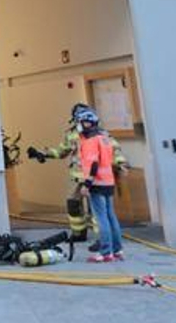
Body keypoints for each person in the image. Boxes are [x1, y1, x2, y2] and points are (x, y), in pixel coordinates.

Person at [27, 103, 126, 254]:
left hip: (94, 178)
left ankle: (102, 240)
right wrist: (43, 153)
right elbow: (62, 151)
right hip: (79, 177)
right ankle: (79, 233)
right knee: (74, 203)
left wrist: (121, 163)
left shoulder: (100, 134)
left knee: (97, 211)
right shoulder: (72, 134)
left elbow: (113, 149)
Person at [74, 106, 125, 263]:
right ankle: (117, 250)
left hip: (96, 183)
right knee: (111, 217)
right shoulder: (104, 138)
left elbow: (93, 164)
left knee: (101, 218)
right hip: (108, 182)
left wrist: (86, 184)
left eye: (80, 122)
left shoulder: (90, 141)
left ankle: (105, 252)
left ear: (88, 123)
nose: (79, 125)